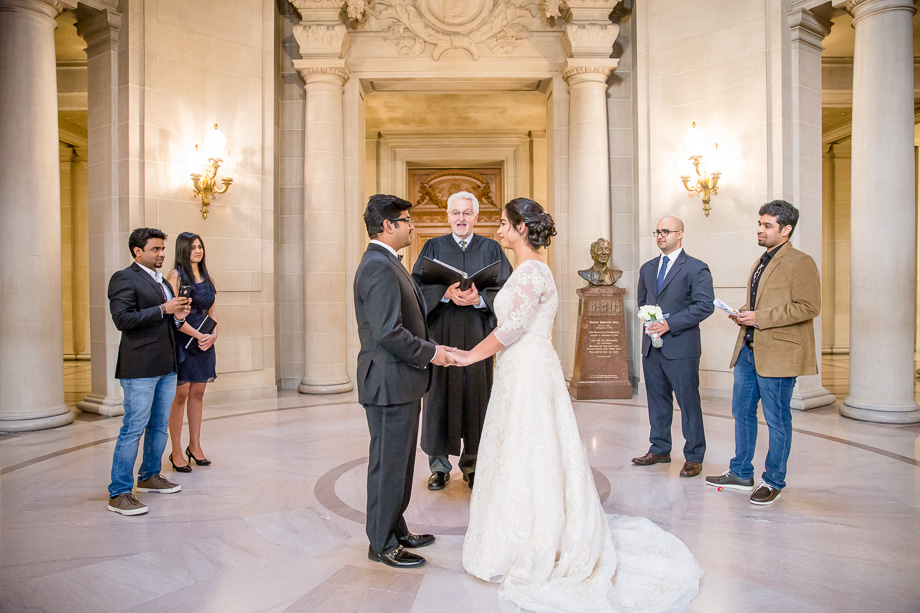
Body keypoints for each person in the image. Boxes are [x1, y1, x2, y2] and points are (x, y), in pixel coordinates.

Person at [452, 199, 702, 612]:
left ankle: (540, 538)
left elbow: (510, 331)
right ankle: (517, 528)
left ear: (520, 229)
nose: (498, 230)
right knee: (518, 449)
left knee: (532, 449)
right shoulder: (526, 270)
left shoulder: (533, 272)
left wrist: (465, 356)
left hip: (529, 371)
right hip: (520, 371)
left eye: (502, 224)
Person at [353, 194, 457, 568]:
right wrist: (431, 354)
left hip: (401, 382)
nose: (413, 226)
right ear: (388, 226)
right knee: (387, 465)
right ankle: (381, 543)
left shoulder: (387, 262)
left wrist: (432, 345)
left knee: (399, 464)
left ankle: (396, 529)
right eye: (407, 220)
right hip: (388, 383)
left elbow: (405, 325)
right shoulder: (378, 266)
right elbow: (387, 332)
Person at [706, 200, 820, 505]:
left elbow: (809, 307)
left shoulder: (801, 261)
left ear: (786, 230)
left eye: (767, 225)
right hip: (748, 349)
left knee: (777, 419)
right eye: (760, 223)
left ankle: (773, 481)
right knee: (741, 412)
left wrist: (760, 317)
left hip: (780, 354)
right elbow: (763, 302)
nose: (760, 229)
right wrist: (744, 313)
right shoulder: (761, 261)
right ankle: (741, 472)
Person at [411, 191, 512, 491]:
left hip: (478, 335)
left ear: (477, 217)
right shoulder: (433, 246)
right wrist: (444, 293)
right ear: (448, 217)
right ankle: (438, 466)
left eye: (467, 213)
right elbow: (416, 288)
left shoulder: (492, 249)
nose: (461, 219)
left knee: (477, 397)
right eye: (455, 213)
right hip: (442, 334)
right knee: (438, 397)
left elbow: (507, 291)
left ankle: (473, 464)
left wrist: (481, 298)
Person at [106, 228, 191, 516]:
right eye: (155, 249)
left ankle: (149, 476)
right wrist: (164, 309)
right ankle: (118, 492)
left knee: (158, 425)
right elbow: (122, 319)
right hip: (139, 366)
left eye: (162, 249)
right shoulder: (123, 278)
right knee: (133, 428)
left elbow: (167, 316)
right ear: (137, 251)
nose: (162, 253)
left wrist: (177, 314)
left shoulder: (163, 282)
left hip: (166, 365)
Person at [632, 216, 714, 477]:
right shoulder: (647, 268)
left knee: (688, 403)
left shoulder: (696, 268)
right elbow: (643, 303)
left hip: (681, 347)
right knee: (657, 401)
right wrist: (651, 324)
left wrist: (669, 324)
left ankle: (694, 456)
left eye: (665, 231)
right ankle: (659, 449)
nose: (660, 236)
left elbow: (704, 306)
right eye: (657, 231)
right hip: (652, 347)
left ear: (680, 234)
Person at [166, 232, 218, 472]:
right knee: (181, 394)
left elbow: (213, 313)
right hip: (184, 340)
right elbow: (174, 316)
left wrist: (212, 336)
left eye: (200, 246)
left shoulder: (208, 277)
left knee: (198, 392)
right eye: (193, 247)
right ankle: (176, 451)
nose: (198, 251)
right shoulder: (176, 276)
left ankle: (194, 447)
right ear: (183, 250)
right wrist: (198, 336)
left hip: (205, 342)